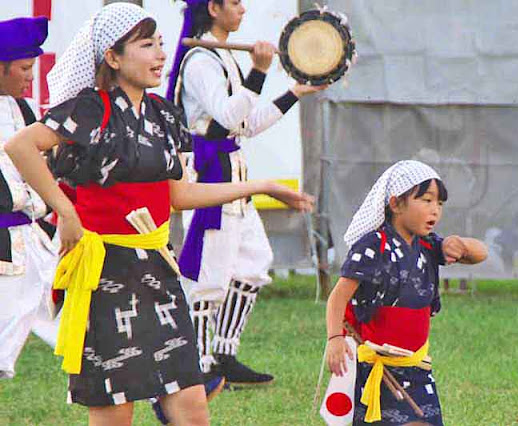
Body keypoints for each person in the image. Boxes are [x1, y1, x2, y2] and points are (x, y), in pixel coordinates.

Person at [5, 4, 312, 425]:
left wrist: (260, 187)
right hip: (105, 274)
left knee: (192, 406)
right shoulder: (88, 110)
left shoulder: (165, 115)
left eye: (161, 44)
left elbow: (178, 194)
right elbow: (20, 146)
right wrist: (65, 211)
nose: (160, 55)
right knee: (115, 412)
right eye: (146, 45)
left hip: (158, 269)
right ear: (113, 57)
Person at [166, 0, 327, 389]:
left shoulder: (220, 56)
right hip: (210, 177)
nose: (243, 9)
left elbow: (246, 125)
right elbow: (227, 116)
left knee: (254, 263)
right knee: (209, 277)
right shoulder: (201, 59)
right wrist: (259, 70)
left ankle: (223, 353)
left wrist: (294, 91)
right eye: (235, 3)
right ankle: (199, 366)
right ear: (214, 7)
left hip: (232, 173)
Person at [325, 160, 488, 425]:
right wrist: (335, 338)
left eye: (439, 204)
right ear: (396, 204)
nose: (434, 210)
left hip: (418, 365)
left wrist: (461, 244)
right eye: (426, 200)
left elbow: (481, 254)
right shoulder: (372, 247)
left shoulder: (430, 245)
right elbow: (338, 296)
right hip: (377, 365)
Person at [0, 16, 60, 380]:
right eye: (24, 68)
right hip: (5, 247)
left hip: (35, 241)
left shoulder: (23, 111)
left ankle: (165, 394)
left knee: (79, 320)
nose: (30, 76)